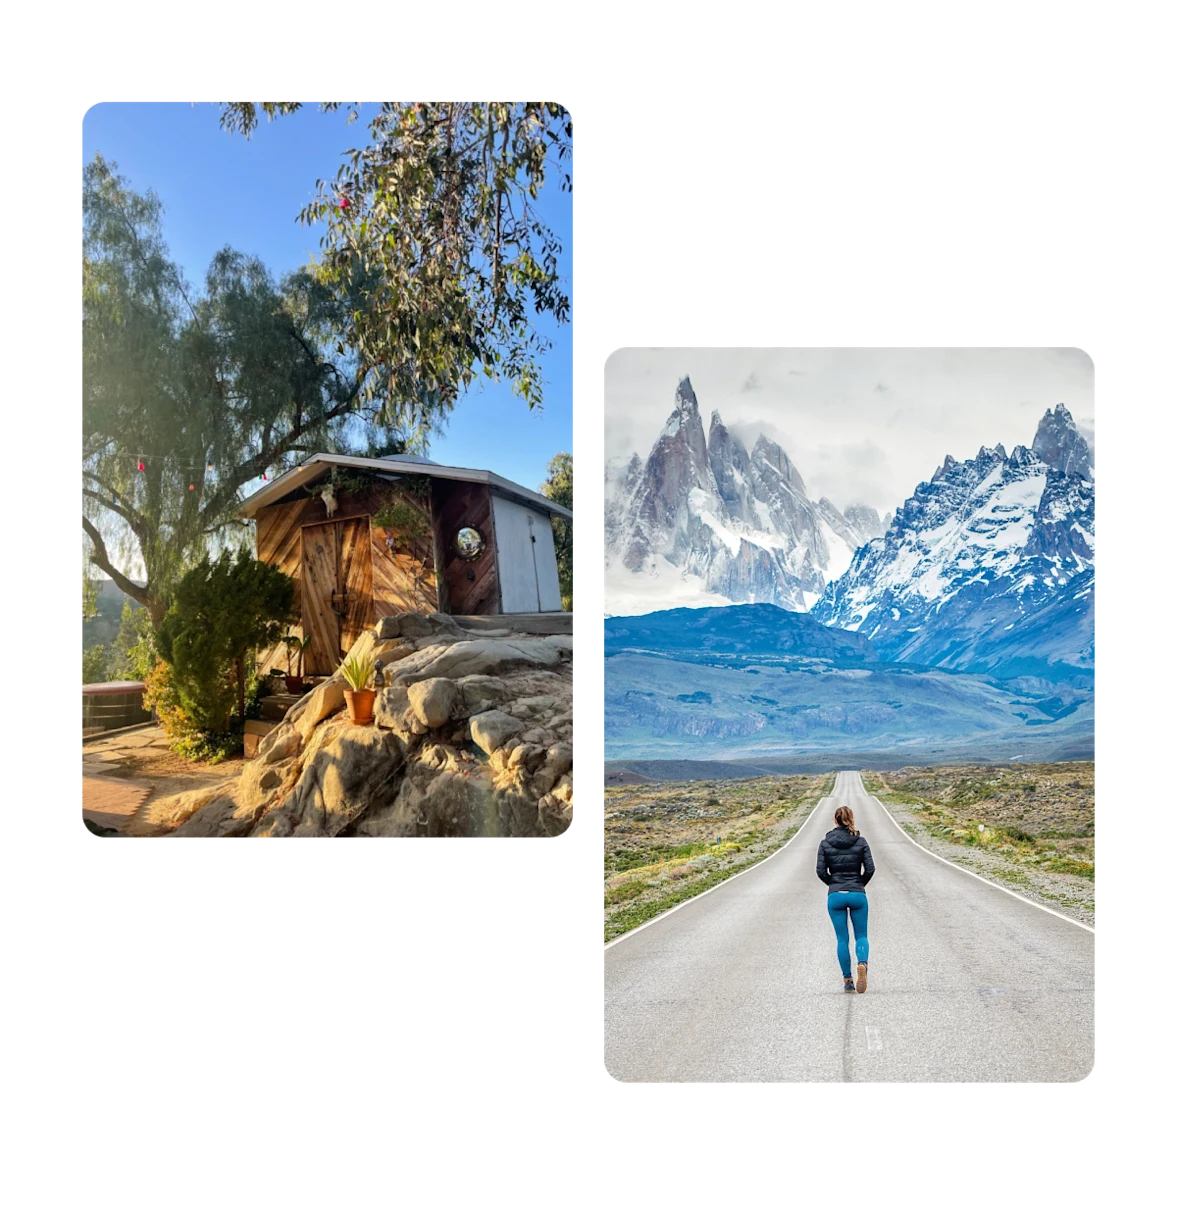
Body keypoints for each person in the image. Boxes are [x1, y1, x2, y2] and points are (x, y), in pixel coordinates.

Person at [816, 805, 875, 993]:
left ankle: (848, 979)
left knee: (842, 939)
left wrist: (833, 885)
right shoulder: (861, 841)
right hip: (857, 893)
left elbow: (820, 871)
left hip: (836, 895)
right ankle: (863, 964)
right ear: (852, 819)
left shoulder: (825, 843)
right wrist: (859, 884)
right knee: (861, 936)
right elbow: (870, 868)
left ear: (835, 820)